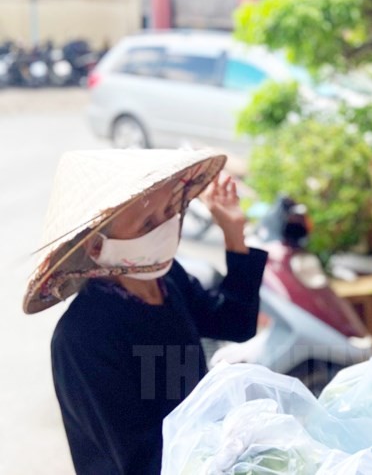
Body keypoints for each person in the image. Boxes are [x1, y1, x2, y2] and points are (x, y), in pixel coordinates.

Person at [24, 149, 267, 475]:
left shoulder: (167, 279)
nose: (166, 226)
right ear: (96, 246)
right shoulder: (83, 337)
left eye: (169, 210)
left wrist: (233, 234)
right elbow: (140, 460)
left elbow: (236, 323)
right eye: (147, 222)